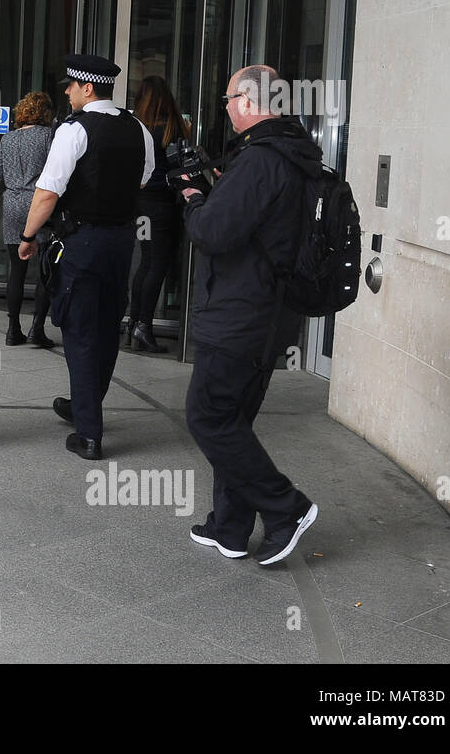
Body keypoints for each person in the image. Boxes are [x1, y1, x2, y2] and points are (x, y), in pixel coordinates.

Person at [178, 64, 320, 565]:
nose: (226, 107)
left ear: (248, 100)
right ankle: (230, 527)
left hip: (242, 313)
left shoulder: (262, 160)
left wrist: (193, 198)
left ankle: (287, 508)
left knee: (208, 416)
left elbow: (214, 232)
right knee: (232, 419)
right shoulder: (291, 153)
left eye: (228, 98)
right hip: (267, 314)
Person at [18, 54, 155, 461]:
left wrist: (27, 236)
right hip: (121, 241)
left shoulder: (74, 129)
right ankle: (85, 404)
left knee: (79, 329)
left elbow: (47, 192)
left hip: (82, 241)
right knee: (107, 325)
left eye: (71, 86)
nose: (66, 91)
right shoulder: (138, 127)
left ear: (87, 88)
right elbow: (143, 177)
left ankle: (89, 433)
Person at [127, 76, 191, 353]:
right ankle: (143, 325)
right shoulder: (171, 128)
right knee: (157, 265)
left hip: (137, 203)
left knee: (145, 262)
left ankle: (135, 322)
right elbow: (181, 167)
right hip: (161, 204)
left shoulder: (134, 127)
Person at [0, 90, 56, 348]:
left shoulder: (7, 140)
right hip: (40, 204)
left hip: (12, 204)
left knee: (15, 269)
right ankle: (37, 329)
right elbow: (56, 172)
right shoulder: (48, 136)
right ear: (46, 113)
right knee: (45, 270)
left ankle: (12, 329)